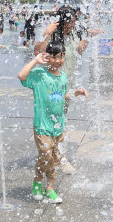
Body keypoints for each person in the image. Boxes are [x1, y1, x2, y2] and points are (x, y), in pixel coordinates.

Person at [19, 45, 86, 204]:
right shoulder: (39, 75)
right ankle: (37, 180)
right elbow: (21, 76)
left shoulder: (62, 77)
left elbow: (64, 95)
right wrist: (36, 60)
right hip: (42, 125)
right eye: (53, 57)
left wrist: (76, 93)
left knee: (55, 157)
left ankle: (50, 188)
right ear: (47, 57)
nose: (57, 61)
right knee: (45, 154)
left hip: (58, 126)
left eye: (60, 57)